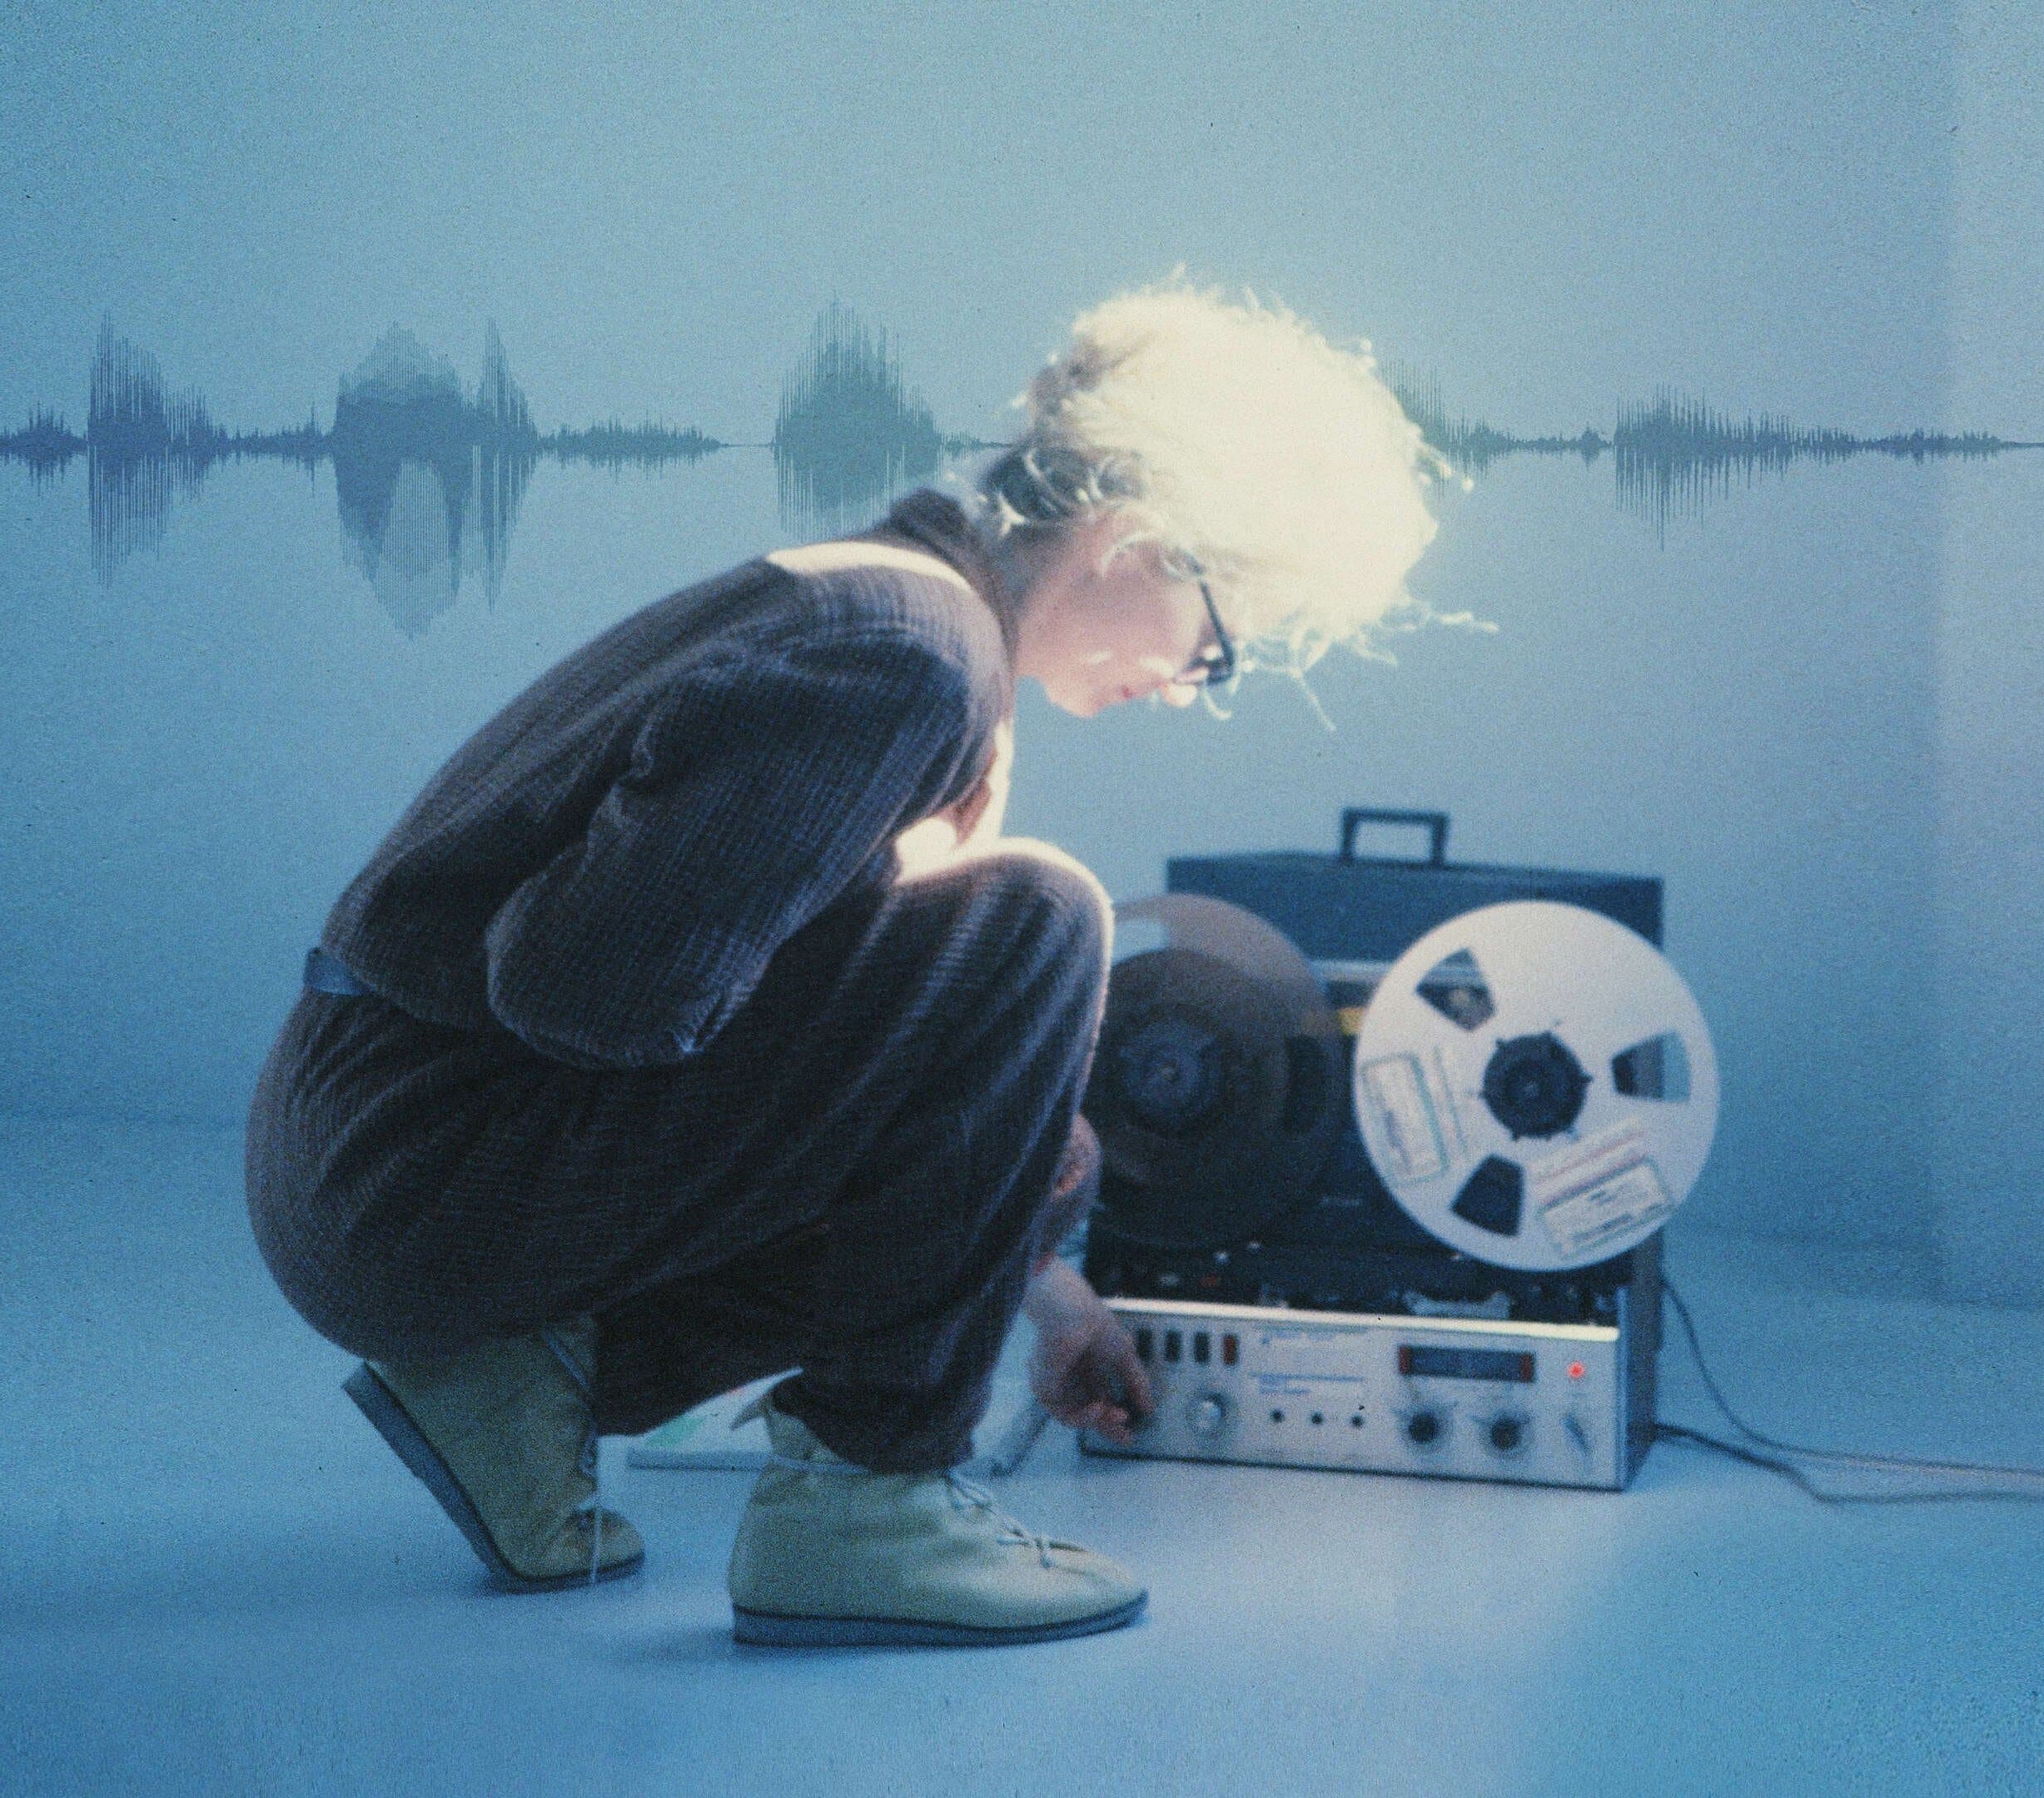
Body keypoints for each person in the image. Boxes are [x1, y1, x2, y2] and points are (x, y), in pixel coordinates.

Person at [244, 279, 1445, 1647]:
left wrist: (1032, 1284)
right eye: (1220, 646)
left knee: (1048, 1148)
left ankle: (524, 1388)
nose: (1190, 683)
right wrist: (904, 935)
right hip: (403, 1175)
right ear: (1141, 539)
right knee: (1038, 922)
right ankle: (867, 1505)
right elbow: (577, 989)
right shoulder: (908, 652)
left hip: (375, 1156)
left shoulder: (885, 609)